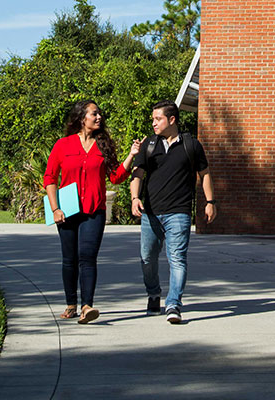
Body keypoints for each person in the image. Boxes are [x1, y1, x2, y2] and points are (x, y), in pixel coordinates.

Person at [44, 100, 143, 324]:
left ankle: (87, 306)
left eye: (99, 114)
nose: (99, 117)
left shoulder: (103, 145)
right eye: (94, 114)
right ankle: (71, 304)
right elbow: (50, 177)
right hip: (67, 211)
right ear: (82, 118)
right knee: (69, 259)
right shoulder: (63, 145)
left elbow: (116, 176)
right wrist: (55, 208)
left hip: (94, 211)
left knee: (88, 258)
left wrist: (131, 155)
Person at [130, 100, 217, 324]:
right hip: (150, 212)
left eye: (157, 119)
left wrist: (210, 201)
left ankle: (173, 304)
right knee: (147, 258)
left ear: (172, 120)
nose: (153, 123)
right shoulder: (149, 144)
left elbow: (204, 173)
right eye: (152, 119)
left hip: (179, 212)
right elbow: (137, 175)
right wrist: (134, 198)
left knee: (177, 258)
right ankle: (153, 293)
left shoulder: (191, 145)